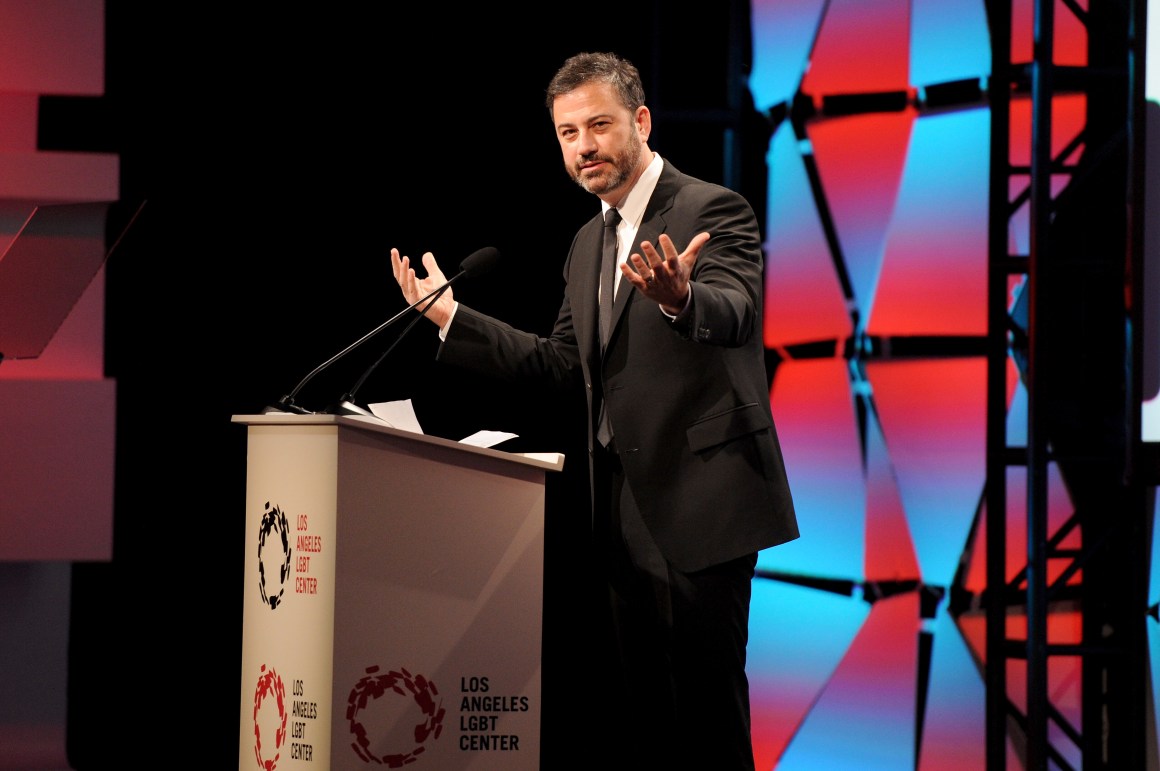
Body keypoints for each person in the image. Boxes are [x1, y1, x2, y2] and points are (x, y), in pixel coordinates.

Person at [390, 51, 798, 770]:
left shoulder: (710, 207)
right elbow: (558, 362)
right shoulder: (586, 243)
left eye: (600, 125)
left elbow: (736, 310)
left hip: (704, 500)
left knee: (708, 712)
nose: (584, 146)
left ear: (639, 121)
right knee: (646, 716)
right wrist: (453, 317)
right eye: (567, 132)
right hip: (617, 506)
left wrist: (681, 299)